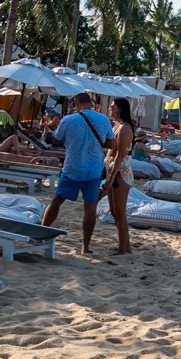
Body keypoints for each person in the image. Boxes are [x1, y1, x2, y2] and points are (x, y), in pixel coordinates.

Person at [41, 92, 112, 251]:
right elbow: (111, 143)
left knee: (57, 201)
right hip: (94, 169)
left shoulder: (69, 119)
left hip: (72, 167)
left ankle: (40, 234)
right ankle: (85, 247)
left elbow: (57, 139)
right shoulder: (103, 119)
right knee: (90, 208)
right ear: (91, 103)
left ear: (76, 104)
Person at [103, 97, 135, 256]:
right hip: (113, 171)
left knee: (120, 212)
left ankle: (124, 248)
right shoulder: (116, 126)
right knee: (114, 211)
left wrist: (111, 177)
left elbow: (120, 156)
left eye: (112, 107)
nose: (110, 109)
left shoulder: (124, 129)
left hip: (120, 173)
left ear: (120, 109)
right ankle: (125, 245)